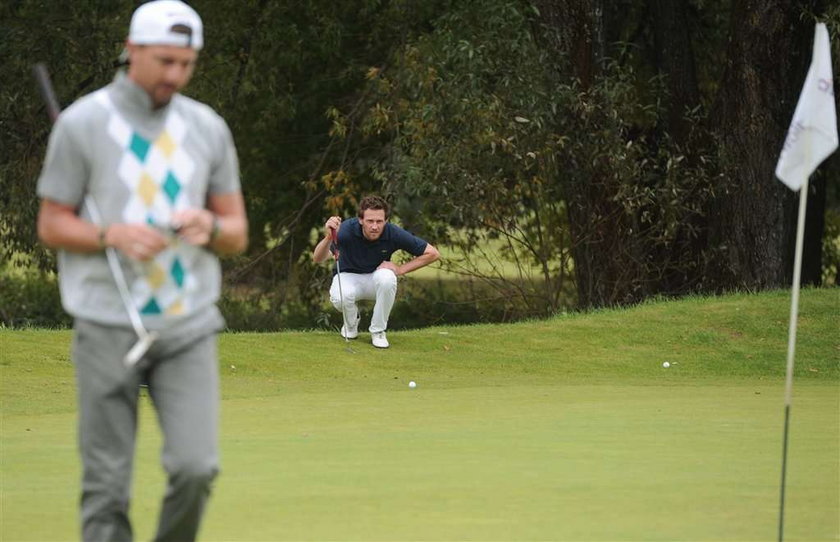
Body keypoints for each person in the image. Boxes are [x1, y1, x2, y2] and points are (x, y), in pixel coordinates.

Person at [36, 2, 248, 540]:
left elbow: (237, 231)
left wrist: (211, 227)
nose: (175, 74)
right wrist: (111, 234)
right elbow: (52, 224)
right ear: (132, 51)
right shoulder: (83, 124)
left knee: (196, 469)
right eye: (164, 61)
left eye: (186, 63)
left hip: (187, 324)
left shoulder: (208, 128)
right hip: (106, 325)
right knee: (106, 489)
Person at [312, 195, 440, 348]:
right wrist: (328, 237)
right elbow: (318, 258)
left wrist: (399, 269)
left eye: (379, 221)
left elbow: (433, 254)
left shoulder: (392, 232)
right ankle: (351, 324)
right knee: (340, 297)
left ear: (386, 220)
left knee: (388, 278)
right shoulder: (346, 230)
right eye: (370, 221)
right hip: (348, 276)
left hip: (376, 278)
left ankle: (378, 331)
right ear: (360, 220)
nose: (375, 226)